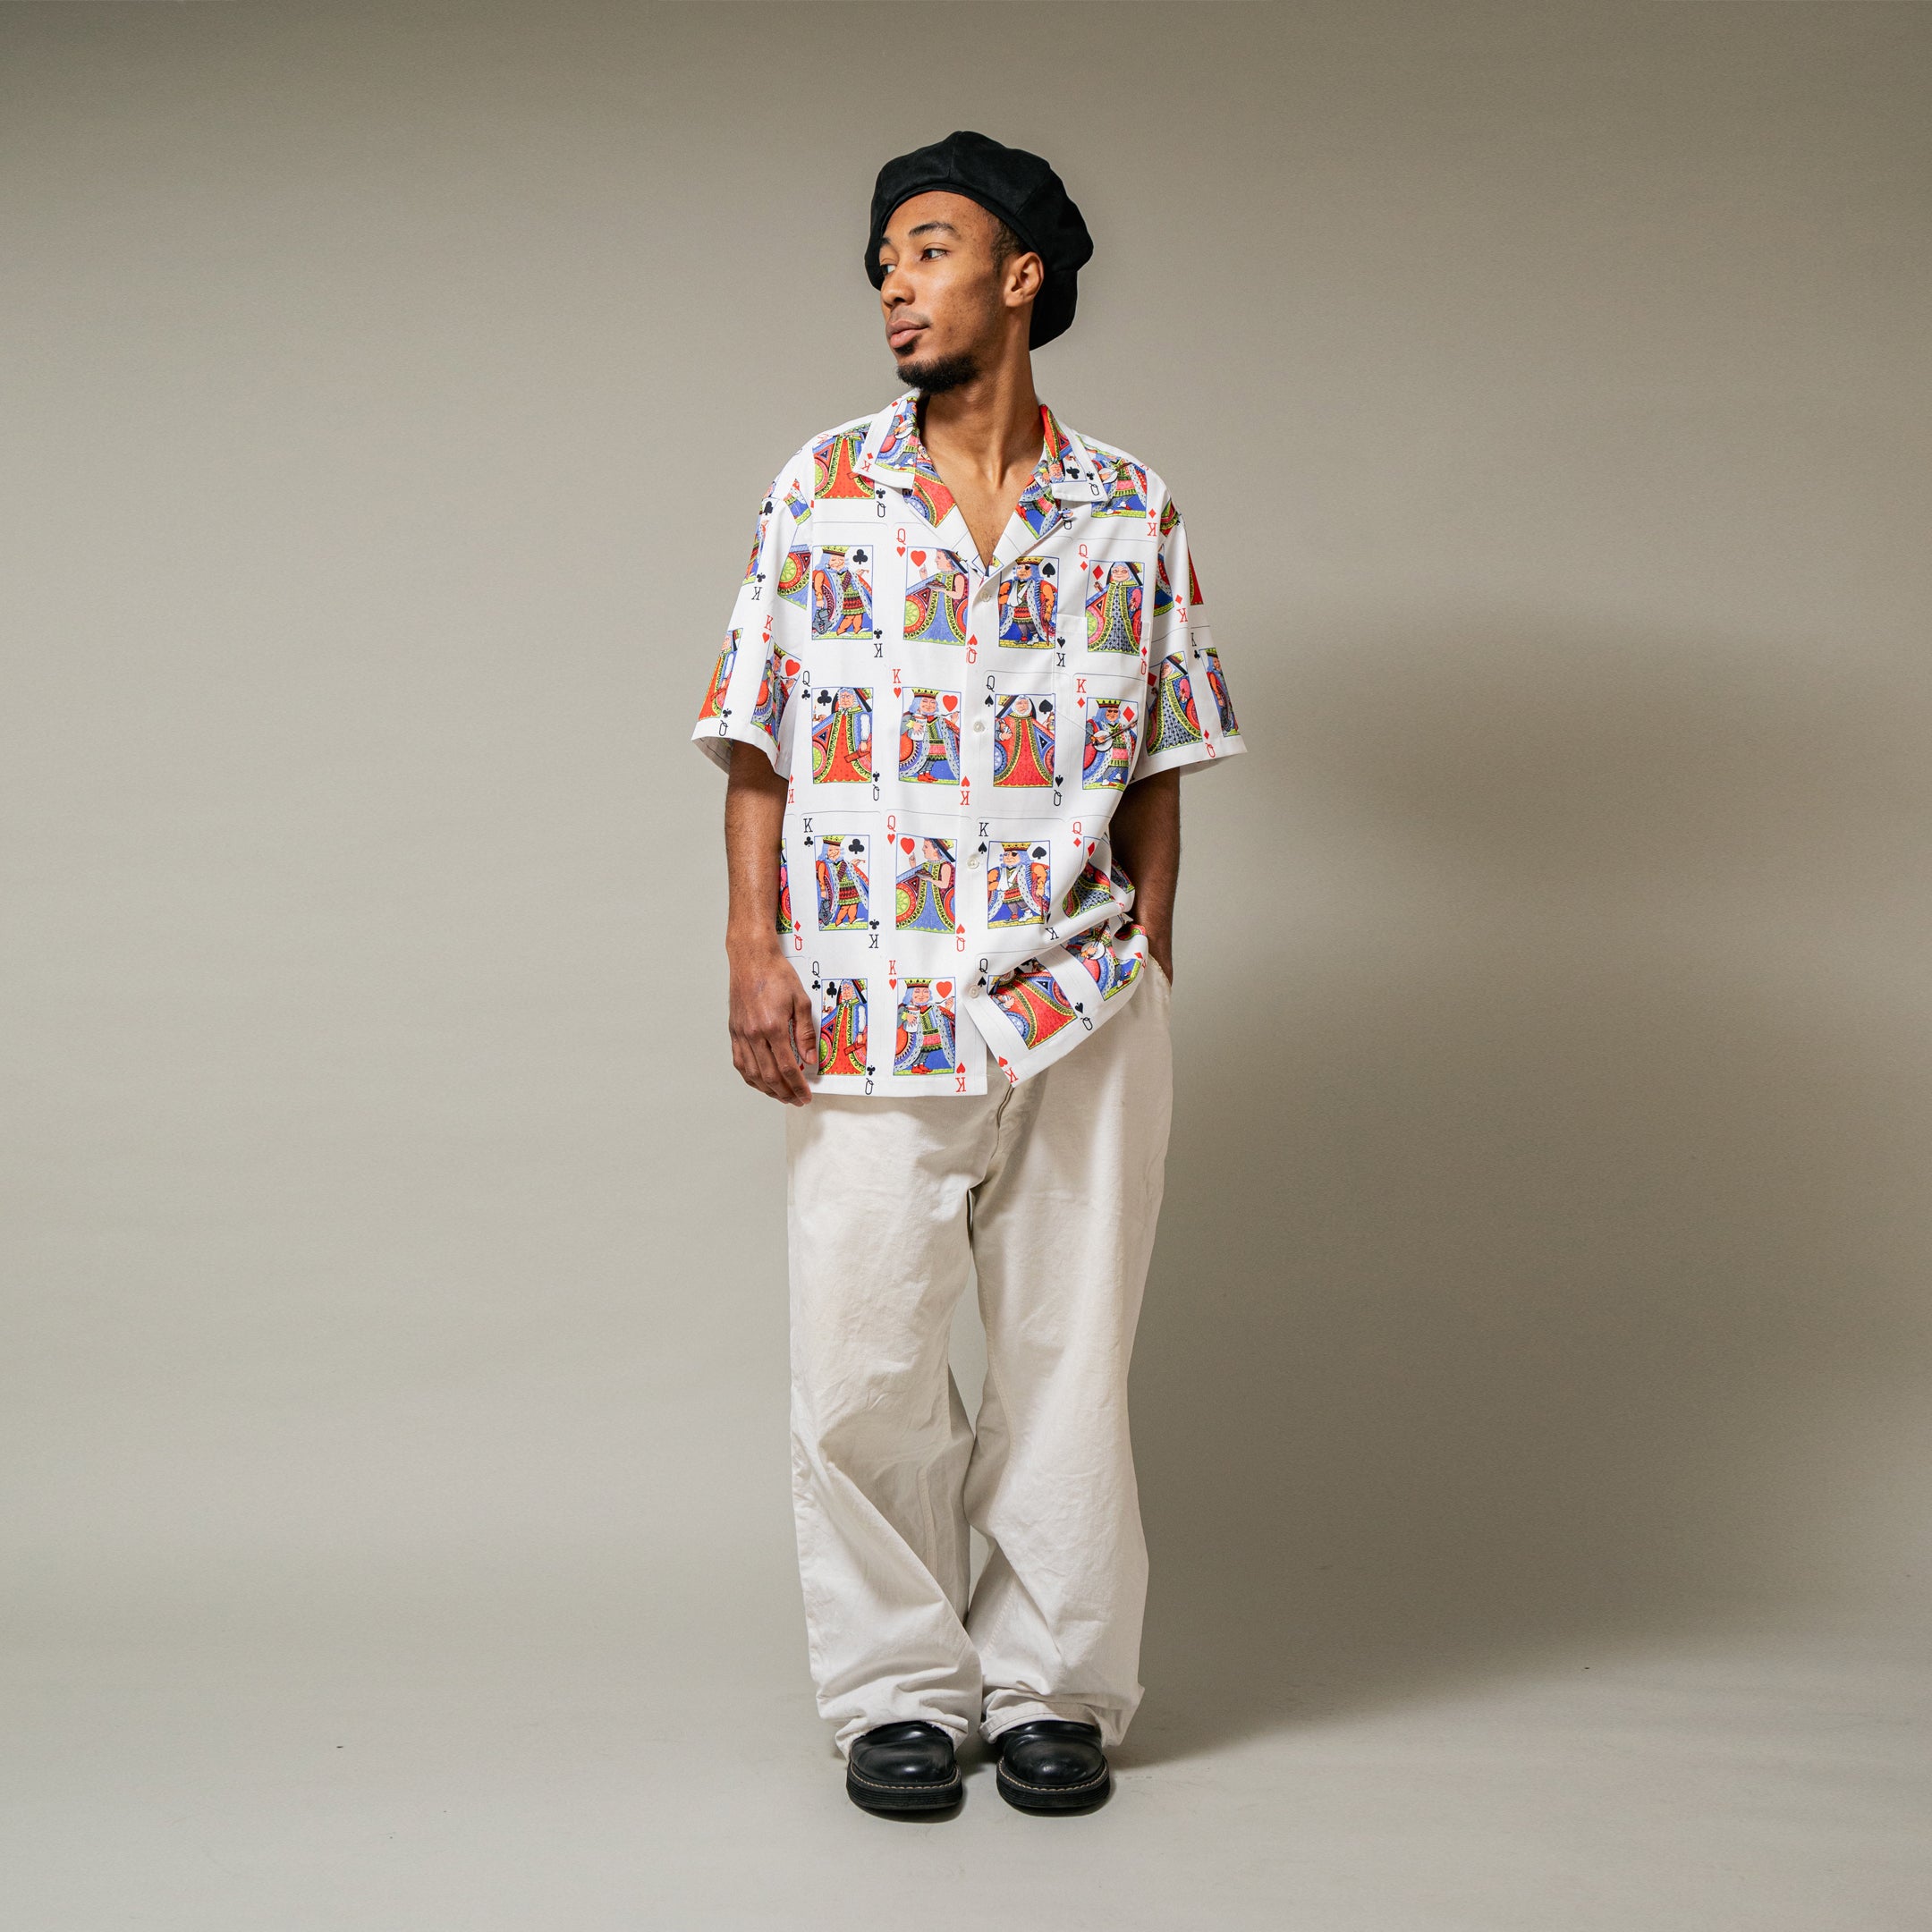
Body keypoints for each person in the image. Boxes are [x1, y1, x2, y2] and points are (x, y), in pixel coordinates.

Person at [690, 130, 1246, 1818]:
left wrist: (1151, 951)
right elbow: (757, 742)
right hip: (868, 994)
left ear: (1020, 277)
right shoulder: (822, 489)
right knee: (866, 1365)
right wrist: (753, 951)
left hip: (1082, 1002)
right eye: (882, 262)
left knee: (1070, 1360)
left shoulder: (1131, 507)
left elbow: (1162, 753)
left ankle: (1054, 1687)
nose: (893, 286)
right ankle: (897, 1693)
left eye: (926, 250)